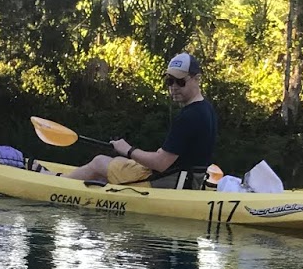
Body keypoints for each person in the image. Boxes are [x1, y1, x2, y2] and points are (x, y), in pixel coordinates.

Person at [60, 53, 218, 189]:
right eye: (170, 81)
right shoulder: (206, 109)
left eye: (180, 81)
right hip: (183, 180)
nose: (174, 87)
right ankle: (62, 178)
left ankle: (56, 183)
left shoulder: (189, 116)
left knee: (99, 162)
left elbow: (160, 164)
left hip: (163, 183)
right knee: (117, 163)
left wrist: (127, 149)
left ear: (197, 79)